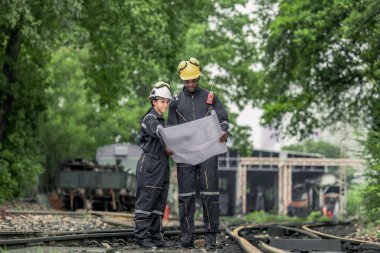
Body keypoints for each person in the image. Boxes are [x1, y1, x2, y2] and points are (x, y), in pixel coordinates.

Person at [168, 57, 229, 249]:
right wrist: (169, 144)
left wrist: (224, 132)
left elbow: (223, 120)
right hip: (185, 154)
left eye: (194, 80)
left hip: (208, 152)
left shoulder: (211, 98)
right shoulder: (175, 103)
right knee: (186, 195)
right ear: (182, 80)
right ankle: (186, 235)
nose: (191, 84)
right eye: (187, 81)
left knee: (209, 194)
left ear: (199, 77)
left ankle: (211, 235)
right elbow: (171, 128)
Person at [134, 81, 173, 248]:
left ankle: (156, 236)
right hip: (150, 164)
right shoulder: (150, 118)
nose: (165, 104)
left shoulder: (162, 120)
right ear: (153, 101)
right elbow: (159, 133)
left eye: (167, 101)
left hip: (162, 165)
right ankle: (141, 237)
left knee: (159, 202)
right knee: (147, 200)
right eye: (162, 101)